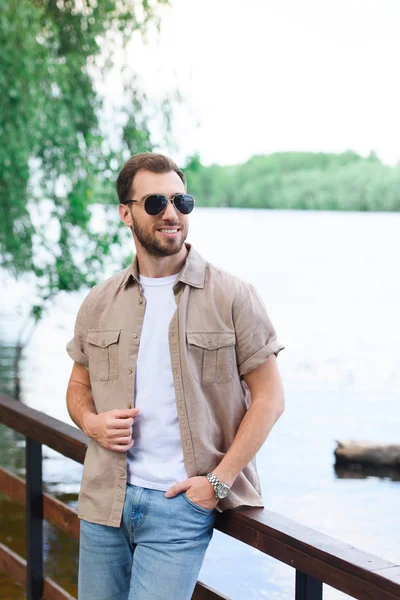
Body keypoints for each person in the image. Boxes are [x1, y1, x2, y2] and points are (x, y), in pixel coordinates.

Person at [65, 152, 285, 600]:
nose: (171, 214)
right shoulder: (100, 301)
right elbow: (78, 386)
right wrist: (91, 423)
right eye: (154, 203)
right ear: (125, 213)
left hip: (178, 509)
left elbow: (269, 399)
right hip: (103, 502)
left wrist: (218, 482)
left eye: (181, 202)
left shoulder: (233, 296)